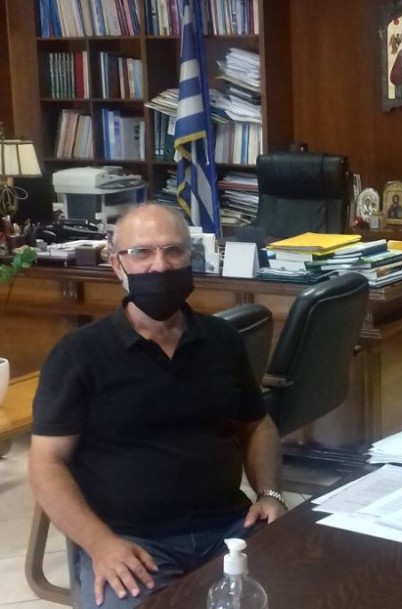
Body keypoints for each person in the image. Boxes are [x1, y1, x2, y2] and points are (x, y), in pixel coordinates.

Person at [29, 203, 286, 609]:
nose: (160, 265)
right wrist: (100, 544)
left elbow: (257, 424)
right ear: (116, 264)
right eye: (142, 252)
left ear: (191, 256)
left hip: (229, 527)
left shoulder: (222, 340)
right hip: (129, 541)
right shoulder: (78, 355)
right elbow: (46, 463)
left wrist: (270, 493)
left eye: (172, 251)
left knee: (313, 586)